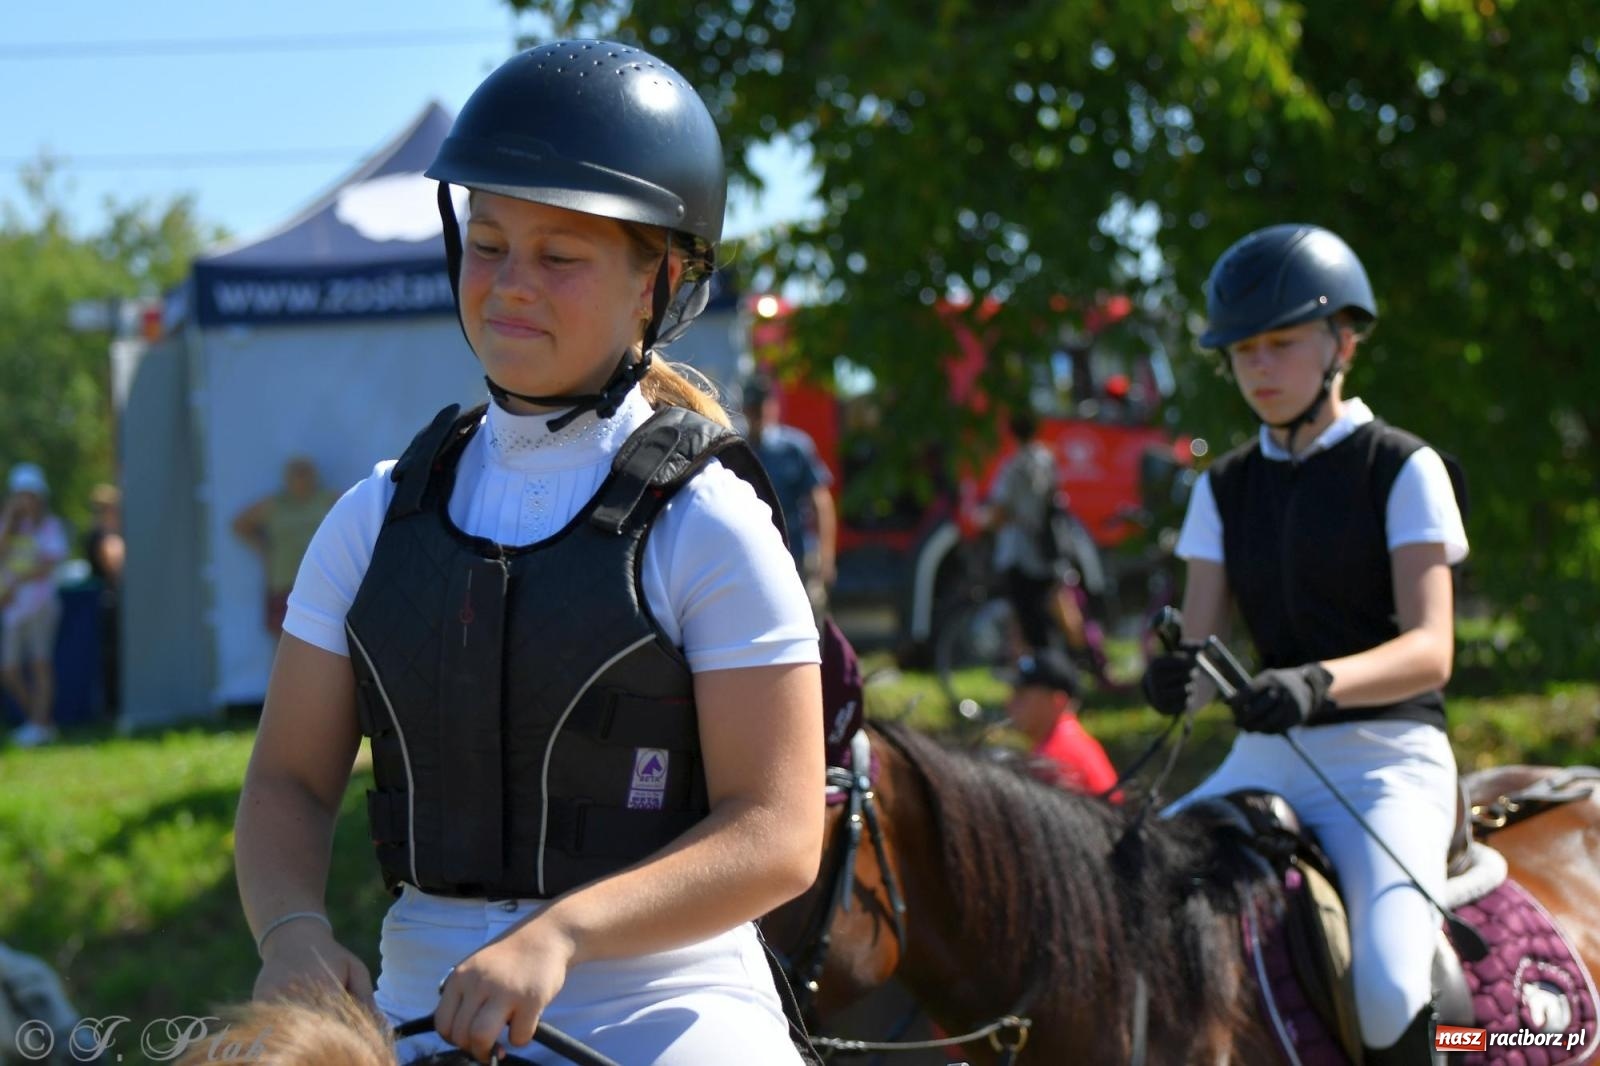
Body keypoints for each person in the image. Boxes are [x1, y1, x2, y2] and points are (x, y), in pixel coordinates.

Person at [233, 39, 824, 1066]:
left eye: (559, 257)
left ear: (659, 282)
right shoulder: (371, 519)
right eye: (489, 243)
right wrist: (291, 931)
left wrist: (560, 933)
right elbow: (287, 781)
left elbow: (775, 832)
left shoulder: (711, 522)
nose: (509, 284)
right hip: (417, 1002)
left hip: (664, 1011)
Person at [1143, 223, 1466, 1064]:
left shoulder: (1401, 467)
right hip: (1269, 755)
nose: (1259, 366)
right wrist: (1178, 681)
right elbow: (1206, 653)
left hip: (1388, 756)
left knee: (1392, 985)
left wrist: (1314, 683)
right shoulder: (1220, 487)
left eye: (1281, 343)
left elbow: (1433, 650)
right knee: (1122, 899)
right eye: (1243, 349)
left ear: (1343, 343)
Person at [982, 409, 1104, 678]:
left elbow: (998, 512)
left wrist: (984, 520)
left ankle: (1045, 676)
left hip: (1020, 554)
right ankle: (1088, 662)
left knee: (1030, 623)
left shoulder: (1013, 466)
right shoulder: (1047, 458)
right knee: (1060, 609)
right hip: (1047, 549)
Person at [740, 374, 837, 615]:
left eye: (763, 405)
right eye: (753, 407)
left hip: (796, 553)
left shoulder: (794, 447)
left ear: (772, 406)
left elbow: (821, 503)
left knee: (807, 619)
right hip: (751, 557)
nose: (759, 413)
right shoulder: (736, 449)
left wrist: (826, 557)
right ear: (745, 409)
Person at [231, 457, 338, 637]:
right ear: (287, 478)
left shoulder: (327, 499)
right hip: (284, 583)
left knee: (324, 639)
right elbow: (239, 524)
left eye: (306, 473)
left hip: (321, 584)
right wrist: (263, 548)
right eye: (296, 474)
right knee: (284, 640)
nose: (302, 480)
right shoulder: (274, 504)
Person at [0, 463, 68, 747]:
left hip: (41, 606)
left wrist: (16, 580)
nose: (26, 500)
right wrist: (9, 518)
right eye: (20, 494)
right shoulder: (8, 526)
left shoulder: (50, 526)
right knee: (9, 670)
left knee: (41, 665)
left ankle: (39, 726)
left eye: (30, 494)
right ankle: (39, 723)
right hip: (13, 609)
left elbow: (49, 564)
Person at [1004, 648, 1118, 797]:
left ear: (1058, 702)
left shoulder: (1055, 756)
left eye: (1022, 695)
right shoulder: (1067, 740)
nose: (1009, 703)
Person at [83, 483, 124, 718]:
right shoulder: (104, 536)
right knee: (111, 659)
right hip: (109, 603)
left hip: (107, 602)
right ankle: (111, 708)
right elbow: (115, 567)